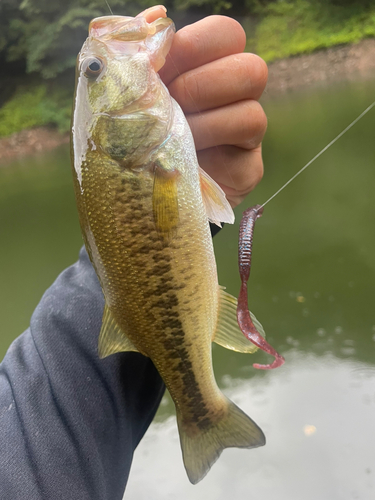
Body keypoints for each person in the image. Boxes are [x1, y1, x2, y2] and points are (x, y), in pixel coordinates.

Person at [0, 7, 268, 499]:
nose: (97, 67)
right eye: (95, 74)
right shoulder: (130, 152)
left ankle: (200, 410)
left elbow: (146, 252)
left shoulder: (132, 152)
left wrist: (213, 198)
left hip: (149, 288)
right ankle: (204, 413)